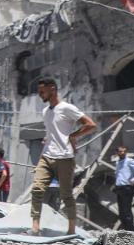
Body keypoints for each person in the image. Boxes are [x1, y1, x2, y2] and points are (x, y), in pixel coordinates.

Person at [30, 77, 97, 235]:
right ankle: (35, 227)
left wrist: (73, 136)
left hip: (65, 158)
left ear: (52, 89)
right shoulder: (46, 111)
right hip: (46, 156)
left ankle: (71, 229)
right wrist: (47, 140)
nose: (40, 94)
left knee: (66, 194)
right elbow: (52, 133)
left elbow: (91, 125)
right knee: (37, 189)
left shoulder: (67, 108)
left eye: (42, 91)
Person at [114, 145, 134, 231]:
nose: (122, 153)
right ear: (117, 152)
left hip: (126, 188)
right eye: (120, 151)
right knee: (121, 210)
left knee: (126, 209)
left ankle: (130, 229)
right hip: (119, 188)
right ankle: (125, 228)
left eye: (124, 151)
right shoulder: (118, 162)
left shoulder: (129, 161)